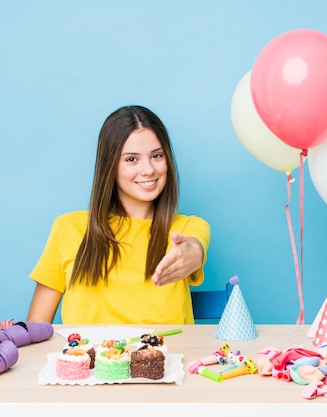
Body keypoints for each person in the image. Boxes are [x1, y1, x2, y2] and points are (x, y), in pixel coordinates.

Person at [26, 105, 210, 324]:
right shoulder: (68, 228)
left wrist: (191, 255)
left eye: (157, 156)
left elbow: (193, 249)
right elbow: (36, 325)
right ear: (110, 166)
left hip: (167, 357)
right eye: (132, 159)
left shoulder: (187, 227)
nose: (148, 170)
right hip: (89, 357)